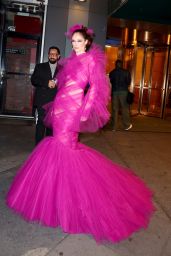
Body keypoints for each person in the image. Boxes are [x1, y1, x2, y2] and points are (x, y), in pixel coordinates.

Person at [6, 24, 155, 244]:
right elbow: (63, 86)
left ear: (87, 42)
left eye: (78, 41)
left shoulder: (91, 60)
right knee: (58, 146)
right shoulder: (70, 60)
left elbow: (95, 87)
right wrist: (56, 103)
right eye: (73, 41)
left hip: (74, 108)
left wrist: (83, 112)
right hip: (61, 105)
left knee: (65, 147)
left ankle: (69, 201)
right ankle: (55, 195)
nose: (75, 44)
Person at [31, 46, 61, 145]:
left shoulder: (62, 69)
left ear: (58, 56)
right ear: (48, 55)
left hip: (55, 101)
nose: (52, 56)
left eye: (54, 54)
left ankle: (48, 147)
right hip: (42, 100)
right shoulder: (40, 66)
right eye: (50, 54)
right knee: (41, 123)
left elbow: (65, 84)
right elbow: (34, 80)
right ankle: (38, 146)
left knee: (51, 125)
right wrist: (46, 83)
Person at [109, 59, 132, 131]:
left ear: (115, 65)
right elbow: (128, 82)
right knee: (124, 108)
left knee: (115, 109)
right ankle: (126, 125)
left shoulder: (112, 73)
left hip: (115, 92)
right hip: (124, 92)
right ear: (122, 64)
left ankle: (114, 127)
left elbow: (111, 82)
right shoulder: (126, 72)